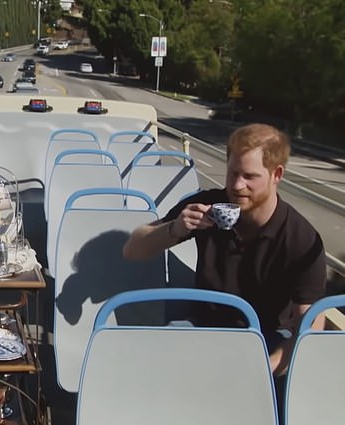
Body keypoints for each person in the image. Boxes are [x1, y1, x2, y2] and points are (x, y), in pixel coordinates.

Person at [123, 123, 326, 377]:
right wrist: (176, 228)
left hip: (266, 338)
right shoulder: (207, 206)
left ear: (277, 174)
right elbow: (133, 250)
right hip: (205, 328)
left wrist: (264, 369)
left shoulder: (299, 239)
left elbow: (310, 327)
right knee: (154, 360)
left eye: (249, 177)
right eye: (232, 173)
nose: (237, 186)